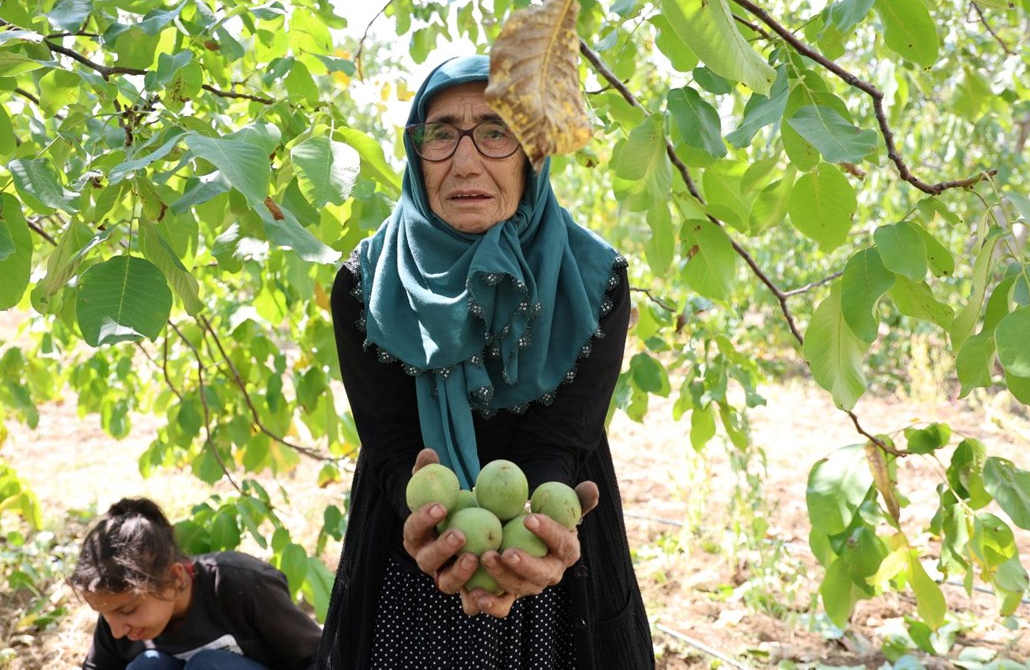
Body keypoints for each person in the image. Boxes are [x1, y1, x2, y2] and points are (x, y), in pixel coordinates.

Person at [319, 55, 654, 669]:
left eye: (497, 131)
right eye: (441, 133)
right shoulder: (366, 284)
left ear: (531, 153)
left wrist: (534, 531)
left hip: (554, 564)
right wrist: (427, 523)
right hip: (412, 555)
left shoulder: (594, 279)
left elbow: (562, 438)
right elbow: (395, 448)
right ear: (416, 154)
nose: (466, 162)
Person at [70, 497, 322, 670]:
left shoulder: (240, 584)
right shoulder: (118, 617)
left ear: (175, 577)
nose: (116, 631)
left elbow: (320, 658)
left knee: (208, 665)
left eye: (128, 610)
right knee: (148, 665)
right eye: (105, 613)